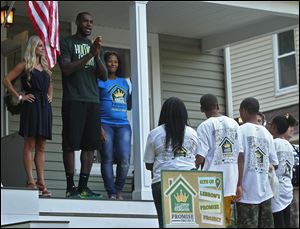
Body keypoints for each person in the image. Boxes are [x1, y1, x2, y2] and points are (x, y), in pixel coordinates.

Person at [58, 12, 107, 199]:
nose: (89, 24)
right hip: (73, 100)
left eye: (91, 21)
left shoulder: (93, 46)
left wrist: (97, 55)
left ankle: (83, 188)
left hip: (92, 101)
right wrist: (89, 55)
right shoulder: (67, 42)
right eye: (86, 21)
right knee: (70, 145)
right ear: (78, 22)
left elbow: (103, 76)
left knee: (90, 146)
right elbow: (67, 69)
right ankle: (70, 187)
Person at [2, 35, 53, 197]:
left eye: (42, 46)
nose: (42, 48)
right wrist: (19, 97)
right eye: (39, 46)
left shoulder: (45, 66)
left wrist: (50, 95)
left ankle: (42, 183)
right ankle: (30, 181)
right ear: (32, 47)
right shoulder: (25, 64)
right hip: (31, 106)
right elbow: (6, 80)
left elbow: (50, 83)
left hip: (45, 107)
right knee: (30, 144)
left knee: (41, 146)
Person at [143, 97, 200, 228]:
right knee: (189, 222)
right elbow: (195, 159)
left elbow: (148, 164)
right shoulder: (192, 133)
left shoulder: (155, 133)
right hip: (189, 181)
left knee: (165, 223)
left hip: (162, 181)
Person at [195, 94, 244, 226]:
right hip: (230, 181)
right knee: (224, 222)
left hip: (210, 183)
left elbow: (200, 157)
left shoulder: (204, 126)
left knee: (210, 223)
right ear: (217, 106)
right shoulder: (234, 124)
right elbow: (240, 156)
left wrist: (190, 169)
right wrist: (238, 184)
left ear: (201, 109)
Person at [236, 97, 279, 228]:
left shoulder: (241, 130)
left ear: (243, 111)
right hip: (265, 192)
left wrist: (238, 184)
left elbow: (240, 158)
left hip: (247, 192)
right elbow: (274, 162)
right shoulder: (267, 133)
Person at [98, 51, 132, 200]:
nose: (113, 64)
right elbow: (94, 105)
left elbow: (129, 105)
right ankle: (111, 192)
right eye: (110, 61)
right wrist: (98, 126)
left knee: (124, 158)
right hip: (105, 124)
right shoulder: (100, 81)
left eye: (116, 62)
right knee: (107, 158)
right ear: (104, 63)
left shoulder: (125, 82)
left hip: (123, 125)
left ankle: (119, 190)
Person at [268, 114, 296, 228]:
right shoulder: (289, 145)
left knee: (278, 221)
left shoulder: (274, 143)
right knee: (286, 219)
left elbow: (272, 164)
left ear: (274, 127)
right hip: (287, 186)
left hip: (277, 186)